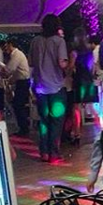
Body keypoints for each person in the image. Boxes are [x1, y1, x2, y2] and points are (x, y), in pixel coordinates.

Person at [28, 14, 68, 163]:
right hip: (56, 87)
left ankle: (43, 152)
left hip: (40, 88)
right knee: (56, 121)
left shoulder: (35, 41)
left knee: (44, 121)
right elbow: (62, 63)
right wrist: (71, 62)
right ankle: (54, 153)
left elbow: (31, 62)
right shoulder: (59, 41)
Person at [68, 27, 100, 144]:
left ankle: (77, 134)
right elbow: (92, 68)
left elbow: (71, 67)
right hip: (88, 80)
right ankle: (102, 130)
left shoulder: (74, 52)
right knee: (93, 108)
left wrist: (69, 71)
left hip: (78, 80)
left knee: (76, 109)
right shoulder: (89, 51)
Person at [4, 38, 31, 136]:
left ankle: (24, 128)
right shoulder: (17, 54)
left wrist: (2, 71)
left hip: (23, 82)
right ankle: (23, 127)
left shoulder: (16, 55)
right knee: (18, 105)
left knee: (18, 105)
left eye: (6, 46)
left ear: (10, 45)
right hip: (21, 82)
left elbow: (10, 69)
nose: (5, 48)